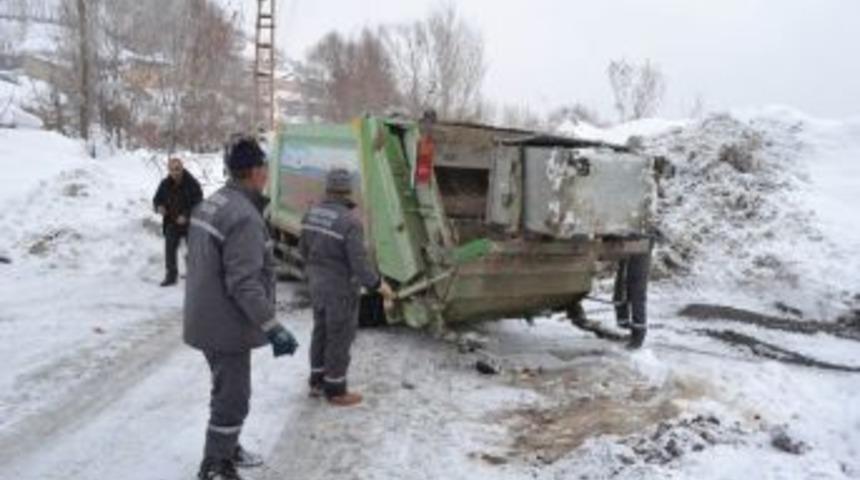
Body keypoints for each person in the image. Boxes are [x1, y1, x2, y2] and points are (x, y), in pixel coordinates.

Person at [184, 137, 299, 480]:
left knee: (225, 389)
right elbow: (244, 283)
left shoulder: (214, 202)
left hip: (205, 316)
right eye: (265, 167)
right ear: (255, 172)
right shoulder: (244, 217)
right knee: (234, 397)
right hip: (225, 325)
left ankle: (228, 446)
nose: (267, 173)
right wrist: (273, 326)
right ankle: (215, 464)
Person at [299, 168, 395, 407]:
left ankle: (317, 381)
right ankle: (336, 389)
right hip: (340, 289)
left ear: (328, 188)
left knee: (320, 332)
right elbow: (359, 265)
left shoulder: (312, 214)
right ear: (348, 190)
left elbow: (303, 250)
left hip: (317, 284)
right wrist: (378, 285)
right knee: (339, 337)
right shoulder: (350, 222)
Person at [152, 157, 203, 286]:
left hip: (190, 222)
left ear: (182, 168)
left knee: (192, 250)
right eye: (172, 170)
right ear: (169, 170)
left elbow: (199, 203)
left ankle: (195, 275)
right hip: (172, 221)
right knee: (170, 248)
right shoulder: (164, 184)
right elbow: (157, 200)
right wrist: (159, 207)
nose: (175, 172)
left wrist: (186, 215)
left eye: (178, 169)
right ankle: (171, 276)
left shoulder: (192, 183)